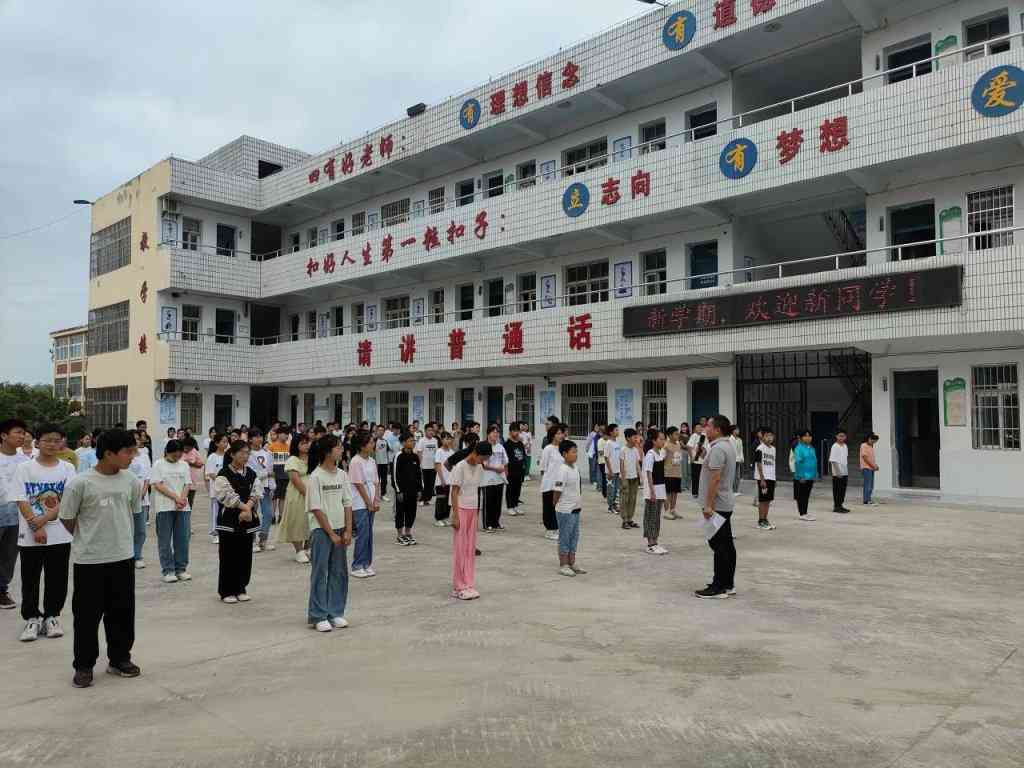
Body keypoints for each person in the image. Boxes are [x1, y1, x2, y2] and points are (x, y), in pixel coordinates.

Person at [59, 428, 142, 687]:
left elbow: (133, 512)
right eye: (128, 451)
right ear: (108, 453)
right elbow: (67, 518)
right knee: (87, 615)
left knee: (122, 612)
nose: (133, 456)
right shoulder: (80, 483)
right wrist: (89, 538)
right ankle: (84, 665)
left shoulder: (131, 480)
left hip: (123, 556)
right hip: (90, 560)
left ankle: (120, 658)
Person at [12, 423, 76, 641]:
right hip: (30, 533)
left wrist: (44, 520)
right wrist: (36, 525)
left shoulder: (67, 468)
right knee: (30, 577)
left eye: (57, 440)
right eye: (47, 440)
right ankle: (32, 618)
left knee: (57, 577)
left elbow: (68, 499)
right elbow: (20, 498)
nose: (52, 444)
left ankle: (51, 616)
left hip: (60, 533)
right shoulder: (24, 468)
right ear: (37, 442)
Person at [305, 434, 353, 632]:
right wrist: (331, 533)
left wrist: (348, 529)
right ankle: (318, 614)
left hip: (341, 529)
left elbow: (347, 503)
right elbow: (316, 508)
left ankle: (336, 612)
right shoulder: (315, 477)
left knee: (339, 572)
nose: (341, 450)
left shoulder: (342, 474)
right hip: (321, 530)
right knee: (320, 572)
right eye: (338, 447)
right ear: (327, 452)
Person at [213, 440, 263, 603]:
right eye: (242, 452)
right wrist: (244, 508)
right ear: (232, 454)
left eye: (247, 453)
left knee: (245, 555)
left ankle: (241, 588)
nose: (245, 456)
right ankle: (227, 591)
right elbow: (226, 495)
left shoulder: (251, 473)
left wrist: (248, 508)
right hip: (229, 520)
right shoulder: (223, 474)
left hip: (247, 520)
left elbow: (256, 491)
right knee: (228, 555)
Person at [695, 415, 738, 599]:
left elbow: (715, 478)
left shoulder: (719, 449)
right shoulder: (726, 445)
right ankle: (727, 583)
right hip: (724, 502)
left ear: (718, 430)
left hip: (717, 504)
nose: (706, 429)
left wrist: (708, 506)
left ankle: (718, 586)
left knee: (719, 545)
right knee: (726, 544)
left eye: (709, 426)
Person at [449, 441, 489, 600]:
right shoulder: (460, 467)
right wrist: (455, 515)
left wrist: (477, 513)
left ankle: (468, 583)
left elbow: (476, 490)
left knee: (470, 548)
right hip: (461, 509)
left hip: (473, 509)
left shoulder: (479, 468)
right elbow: (454, 492)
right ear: (475, 453)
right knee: (460, 548)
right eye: (482, 458)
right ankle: (458, 586)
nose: (483, 462)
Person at [149, 440, 193, 583]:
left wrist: (182, 499)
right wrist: (176, 498)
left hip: (182, 507)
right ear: (167, 452)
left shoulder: (184, 464)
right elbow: (158, 485)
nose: (177, 457)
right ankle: (168, 570)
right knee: (165, 540)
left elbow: (187, 483)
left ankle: (181, 569)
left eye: (180, 454)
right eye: (174, 455)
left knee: (183, 539)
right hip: (164, 507)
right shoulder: (158, 464)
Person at [0, 418, 30, 610]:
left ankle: (1, 590)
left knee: (9, 556)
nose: (22, 436)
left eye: (23, 433)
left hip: (17, 516)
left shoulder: (25, 461)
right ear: (4, 435)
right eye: (18, 432)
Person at [349, 431, 380, 579]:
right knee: (363, 533)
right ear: (362, 446)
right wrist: (368, 502)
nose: (373, 445)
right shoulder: (355, 461)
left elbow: (376, 481)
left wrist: (376, 500)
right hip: (360, 503)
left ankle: (367, 563)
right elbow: (358, 484)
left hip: (371, 500)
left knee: (369, 534)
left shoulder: (372, 461)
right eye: (370, 442)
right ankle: (357, 565)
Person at [552, 440, 585, 577]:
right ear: (565, 454)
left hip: (576, 508)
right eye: (573, 452)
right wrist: (555, 504)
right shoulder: (562, 470)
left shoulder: (575, 468)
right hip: (565, 510)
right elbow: (557, 490)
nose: (576, 454)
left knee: (574, 537)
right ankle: (563, 565)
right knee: (565, 537)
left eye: (576, 452)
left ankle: (572, 562)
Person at [279, 434, 312, 563]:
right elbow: (295, 479)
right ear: (296, 445)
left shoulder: (313, 458)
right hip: (297, 494)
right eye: (303, 443)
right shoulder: (292, 460)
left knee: (311, 520)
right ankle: (299, 550)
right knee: (297, 520)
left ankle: (308, 547)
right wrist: (307, 494)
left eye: (308, 442)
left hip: (313, 492)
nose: (306, 445)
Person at [391, 432, 421, 545]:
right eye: (410, 441)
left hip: (413, 490)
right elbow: (394, 475)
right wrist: (398, 490)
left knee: (411, 512)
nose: (413, 442)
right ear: (403, 443)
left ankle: (408, 533)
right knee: (400, 513)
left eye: (413, 441)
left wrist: (419, 489)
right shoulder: (398, 456)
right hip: (402, 491)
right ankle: (400, 535)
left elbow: (419, 474)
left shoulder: (415, 457)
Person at [642, 430, 668, 555]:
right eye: (661, 439)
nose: (663, 441)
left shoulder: (661, 454)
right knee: (651, 516)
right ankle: (650, 544)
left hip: (660, 489)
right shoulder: (650, 455)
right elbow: (649, 473)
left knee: (657, 517)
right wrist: (652, 492)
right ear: (654, 441)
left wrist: (664, 494)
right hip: (652, 491)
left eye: (664, 439)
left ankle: (655, 542)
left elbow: (662, 475)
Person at [128, 431, 151, 568]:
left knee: (141, 530)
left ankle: (137, 555)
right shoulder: (123, 455)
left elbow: (147, 477)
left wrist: (143, 492)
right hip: (126, 499)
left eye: (137, 439)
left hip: (142, 498)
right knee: (127, 529)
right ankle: (127, 555)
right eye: (133, 439)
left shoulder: (144, 456)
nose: (136, 441)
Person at [539, 425, 565, 541]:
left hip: (560, 482)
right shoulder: (548, 449)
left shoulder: (563, 448)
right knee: (549, 507)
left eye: (561, 433)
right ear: (552, 435)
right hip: (549, 483)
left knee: (558, 507)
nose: (560, 436)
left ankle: (556, 528)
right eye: (558, 433)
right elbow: (543, 468)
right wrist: (547, 481)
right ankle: (549, 530)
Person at [481, 425, 507, 532]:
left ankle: (496, 522)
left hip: (499, 479)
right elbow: (484, 464)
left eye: (497, 432)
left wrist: (505, 474)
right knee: (488, 502)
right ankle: (487, 524)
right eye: (493, 432)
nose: (496, 434)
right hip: (487, 479)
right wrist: (496, 469)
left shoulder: (500, 447)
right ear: (488, 434)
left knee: (497, 502)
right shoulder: (484, 446)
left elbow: (505, 462)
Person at [204, 434, 228, 544]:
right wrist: (221, 480)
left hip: (227, 489)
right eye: (223, 441)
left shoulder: (228, 456)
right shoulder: (212, 457)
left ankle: (224, 531)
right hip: (216, 489)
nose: (225, 444)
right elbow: (210, 473)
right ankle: (215, 533)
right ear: (217, 443)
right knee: (216, 511)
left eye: (226, 441)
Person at [754, 428, 778, 530]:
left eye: (771, 436)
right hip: (763, 478)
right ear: (762, 437)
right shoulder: (760, 449)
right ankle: (761, 521)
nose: (769, 438)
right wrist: (762, 479)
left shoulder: (773, 449)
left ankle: (765, 520)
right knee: (763, 500)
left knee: (768, 500)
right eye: (767, 436)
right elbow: (759, 464)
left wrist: (774, 478)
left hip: (771, 477)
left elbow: (773, 464)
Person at [618, 428, 641, 530]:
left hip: (634, 478)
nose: (636, 439)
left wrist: (641, 477)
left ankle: (630, 519)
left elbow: (637, 464)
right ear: (627, 438)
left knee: (633, 499)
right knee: (625, 499)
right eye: (634, 437)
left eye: (636, 437)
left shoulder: (635, 450)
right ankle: (624, 520)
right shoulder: (623, 450)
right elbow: (621, 465)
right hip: (625, 478)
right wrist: (623, 479)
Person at [793, 429, 817, 521]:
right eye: (805, 436)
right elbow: (798, 463)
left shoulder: (811, 448)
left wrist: (815, 474)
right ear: (801, 438)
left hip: (810, 476)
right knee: (801, 495)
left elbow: (814, 461)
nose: (808, 438)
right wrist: (801, 476)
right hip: (802, 476)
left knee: (806, 495)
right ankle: (802, 513)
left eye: (809, 436)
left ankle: (805, 512)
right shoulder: (799, 448)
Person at [268, 428, 291, 523]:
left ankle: (281, 516)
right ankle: (272, 516)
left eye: (287, 434)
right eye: (285, 433)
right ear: (279, 434)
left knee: (282, 497)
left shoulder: (288, 447)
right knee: (274, 497)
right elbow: (269, 462)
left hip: (285, 476)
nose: (286, 436)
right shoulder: (272, 447)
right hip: (274, 476)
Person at [503, 422, 527, 517]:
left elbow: (523, 455)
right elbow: (505, 459)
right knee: (510, 489)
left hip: (520, 470)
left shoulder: (520, 443)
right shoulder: (507, 444)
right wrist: (506, 471)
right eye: (514, 431)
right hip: (511, 471)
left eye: (517, 431)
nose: (516, 433)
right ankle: (510, 507)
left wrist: (524, 467)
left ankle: (515, 505)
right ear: (510, 432)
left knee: (518, 489)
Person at [433, 432, 455, 527]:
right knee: (441, 500)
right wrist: (442, 479)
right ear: (441, 440)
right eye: (446, 439)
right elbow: (437, 466)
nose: (448, 440)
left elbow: (454, 466)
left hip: (450, 480)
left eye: (449, 439)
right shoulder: (439, 451)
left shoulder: (452, 452)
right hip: (441, 480)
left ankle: (445, 517)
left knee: (448, 501)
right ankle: (438, 519)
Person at [415, 424, 438, 507]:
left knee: (431, 484)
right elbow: (419, 453)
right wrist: (420, 464)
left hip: (433, 466)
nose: (431, 432)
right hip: (424, 466)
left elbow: (436, 453)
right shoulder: (422, 440)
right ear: (425, 431)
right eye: (429, 430)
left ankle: (427, 499)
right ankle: (422, 499)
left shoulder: (435, 440)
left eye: (432, 430)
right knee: (424, 484)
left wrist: (436, 464)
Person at [662, 426, 683, 520]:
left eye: (678, 434)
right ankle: (666, 511)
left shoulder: (678, 444)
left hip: (677, 472)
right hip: (668, 473)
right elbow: (662, 459)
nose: (678, 436)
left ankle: (673, 509)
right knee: (668, 493)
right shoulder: (665, 446)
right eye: (676, 434)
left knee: (675, 492)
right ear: (670, 435)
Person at [829, 429, 851, 514]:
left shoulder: (845, 446)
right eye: (840, 436)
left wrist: (845, 471)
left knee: (843, 490)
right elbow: (833, 460)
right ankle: (836, 506)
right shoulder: (835, 446)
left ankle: (841, 505)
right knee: (837, 490)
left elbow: (845, 458)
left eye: (843, 436)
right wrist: (838, 472)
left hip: (845, 471)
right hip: (837, 473)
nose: (842, 438)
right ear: (836, 436)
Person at [603, 424, 622, 514]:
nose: (618, 431)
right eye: (616, 430)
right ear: (611, 432)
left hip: (617, 470)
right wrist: (610, 471)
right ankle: (610, 507)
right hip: (610, 471)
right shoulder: (608, 443)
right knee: (611, 489)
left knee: (616, 489)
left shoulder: (617, 443)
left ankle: (615, 505)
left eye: (618, 430)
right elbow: (606, 457)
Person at [181, 437, 203, 511]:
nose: (188, 449)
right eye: (186, 447)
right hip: (180, 482)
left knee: (189, 502)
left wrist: (190, 463)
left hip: (191, 482)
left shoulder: (194, 451)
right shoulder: (179, 451)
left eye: (190, 448)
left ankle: (187, 515)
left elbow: (200, 464)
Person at [687, 424, 707, 500]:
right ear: (695, 429)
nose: (699, 429)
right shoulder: (694, 436)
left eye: (700, 427)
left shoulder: (704, 436)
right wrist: (691, 457)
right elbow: (689, 447)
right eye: (697, 428)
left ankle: (701, 492)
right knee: (695, 476)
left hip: (702, 460)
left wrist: (703, 455)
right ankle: (695, 492)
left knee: (702, 477)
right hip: (695, 460)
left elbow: (705, 448)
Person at [373, 424, 391, 502]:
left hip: (384, 463)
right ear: (376, 431)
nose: (381, 432)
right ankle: (375, 495)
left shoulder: (385, 441)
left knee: (384, 480)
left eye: (382, 430)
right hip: (376, 464)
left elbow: (387, 452)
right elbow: (371, 452)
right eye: (379, 430)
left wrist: (388, 463)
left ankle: (383, 494)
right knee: (376, 480)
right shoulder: (374, 441)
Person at [860, 433, 880, 505]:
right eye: (873, 441)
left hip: (871, 468)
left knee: (871, 485)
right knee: (867, 484)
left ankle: (868, 499)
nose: (873, 443)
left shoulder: (871, 446)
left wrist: (875, 465)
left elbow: (871, 458)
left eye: (875, 442)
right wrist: (873, 466)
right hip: (866, 467)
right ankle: (866, 500)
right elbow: (865, 457)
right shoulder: (863, 445)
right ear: (869, 439)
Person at [730, 425, 745, 495]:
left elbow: (741, 450)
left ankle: (736, 490)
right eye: (736, 430)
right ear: (733, 431)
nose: (738, 431)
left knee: (737, 476)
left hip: (738, 460)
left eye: (738, 430)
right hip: (732, 459)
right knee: (732, 475)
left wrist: (742, 458)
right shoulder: (730, 439)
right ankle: (732, 490)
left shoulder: (739, 440)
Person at [586, 424, 601, 490]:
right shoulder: (592, 434)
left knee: (596, 467)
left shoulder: (600, 434)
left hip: (597, 453)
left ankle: (596, 480)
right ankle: (592, 480)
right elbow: (588, 442)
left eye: (598, 426)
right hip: (592, 453)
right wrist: (587, 449)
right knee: (592, 467)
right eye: (596, 427)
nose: (597, 428)